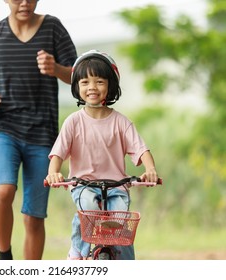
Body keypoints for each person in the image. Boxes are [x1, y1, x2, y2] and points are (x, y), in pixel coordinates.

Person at [0, 0, 77, 260]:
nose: (24, 3)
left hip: (42, 133)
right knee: (3, 190)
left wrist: (55, 68)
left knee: (33, 217)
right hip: (4, 125)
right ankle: (5, 257)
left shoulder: (53, 28)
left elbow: (77, 74)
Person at [45, 50, 159, 260]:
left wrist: (150, 169)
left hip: (117, 187)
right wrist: (53, 173)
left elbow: (141, 149)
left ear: (110, 86)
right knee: (88, 208)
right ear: (77, 87)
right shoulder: (73, 122)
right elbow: (58, 153)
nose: (92, 88)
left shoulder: (121, 122)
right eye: (85, 82)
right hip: (84, 185)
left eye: (99, 81)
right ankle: (77, 251)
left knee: (120, 223)